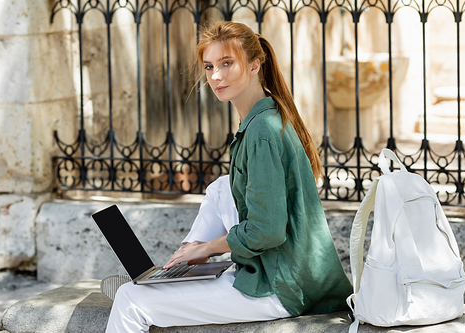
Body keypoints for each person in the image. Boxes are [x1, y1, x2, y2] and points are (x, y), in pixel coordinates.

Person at [104, 21, 352, 332]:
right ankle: (176, 266)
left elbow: (268, 231)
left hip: (279, 287)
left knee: (130, 300)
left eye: (226, 63)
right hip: (285, 274)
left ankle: (169, 278)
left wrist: (209, 249)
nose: (215, 76)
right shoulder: (266, 116)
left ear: (254, 65)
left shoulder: (261, 131)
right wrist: (194, 248)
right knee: (221, 187)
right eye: (209, 67)